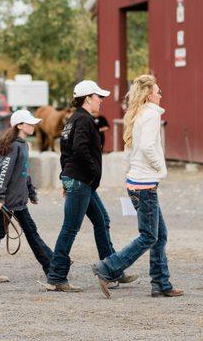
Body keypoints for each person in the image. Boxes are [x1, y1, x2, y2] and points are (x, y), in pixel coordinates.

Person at [92, 75, 184, 298]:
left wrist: (130, 175)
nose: (160, 95)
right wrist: (160, 169)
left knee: (159, 234)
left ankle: (161, 284)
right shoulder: (151, 114)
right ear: (148, 94)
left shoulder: (136, 114)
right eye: (158, 91)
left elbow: (130, 151)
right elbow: (146, 147)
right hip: (144, 184)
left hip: (136, 183)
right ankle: (108, 268)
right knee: (149, 236)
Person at [45, 80, 138, 292]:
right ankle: (57, 276)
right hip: (81, 181)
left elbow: (65, 151)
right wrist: (93, 171)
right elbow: (78, 149)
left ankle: (112, 270)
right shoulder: (84, 120)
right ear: (88, 98)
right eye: (98, 97)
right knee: (70, 228)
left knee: (102, 220)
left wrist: (65, 177)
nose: (101, 101)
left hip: (78, 180)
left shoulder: (73, 120)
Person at [0, 110, 54, 282]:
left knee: (31, 232)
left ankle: (53, 264)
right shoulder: (13, 147)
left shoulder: (24, 145)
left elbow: (23, 172)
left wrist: (31, 191)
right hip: (9, 201)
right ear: (19, 125)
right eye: (29, 123)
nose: (33, 126)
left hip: (19, 199)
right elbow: (3, 172)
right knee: (0, 234)